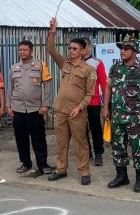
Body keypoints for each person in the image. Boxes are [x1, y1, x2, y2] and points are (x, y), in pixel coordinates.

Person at [47, 17, 96, 185]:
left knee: (80, 143)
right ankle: (61, 170)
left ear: (83, 51)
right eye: (70, 48)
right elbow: (51, 49)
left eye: (75, 48)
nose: (71, 51)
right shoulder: (65, 64)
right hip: (60, 110)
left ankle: (84, 172)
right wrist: (53, 30)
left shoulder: (89, 70)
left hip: (77, 113)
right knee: (61, 143)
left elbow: (90, 94)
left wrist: (80, 107)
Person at [103, 34, 140, 193]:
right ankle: (121, 176)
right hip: (117, 117)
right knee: (118, 147)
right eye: (121, 48)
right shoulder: (115, 68)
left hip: (135, 118)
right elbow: (108, 87)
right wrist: (106, 108)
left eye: (126, 48)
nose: (122, 51)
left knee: (138, 148)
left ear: (135, 50)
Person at [6, 40, 53, 175]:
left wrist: (45, 105)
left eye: (24, 50)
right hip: (18, 108)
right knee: (21, 139)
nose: (22, 52)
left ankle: (43, 164)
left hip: (35, 109)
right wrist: (8, 105)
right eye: (20, 50)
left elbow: (47, 85)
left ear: (31, 51)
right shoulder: (14, 67)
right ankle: (25, 163)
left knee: (38, 138)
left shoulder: (40, 65)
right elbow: (10, 87)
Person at [82, 38, 107, 166]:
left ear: (89, 47)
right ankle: (87, 153)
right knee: (81, 129)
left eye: (84, 46)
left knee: (95, 128)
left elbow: (104, 84)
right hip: (77, 103)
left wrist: (106, 104)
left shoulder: (97, 63)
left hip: (93, 102)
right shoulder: (73, 62)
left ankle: (98, 153)